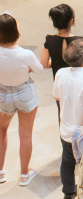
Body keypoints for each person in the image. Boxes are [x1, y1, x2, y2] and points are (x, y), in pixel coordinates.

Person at [0, 12, 43, 186]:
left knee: (1, 131)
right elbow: (39, 69)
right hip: (25, 95)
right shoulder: (25, 54)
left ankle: (1, 171)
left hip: (3, 95)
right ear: (16, 30)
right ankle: (24, 174)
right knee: (25, 135)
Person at [53, 39, 83, 199]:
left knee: (67, 163)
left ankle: (69, 193)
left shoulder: (60, 74)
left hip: (65, 130)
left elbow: (57, 98)